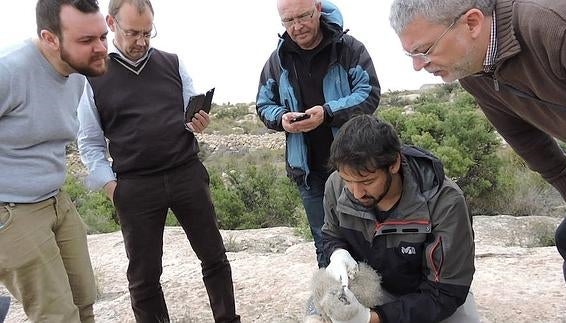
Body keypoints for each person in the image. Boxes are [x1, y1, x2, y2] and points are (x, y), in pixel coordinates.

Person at [389, 0, 566, 320]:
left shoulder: (558, 29)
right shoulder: (474, 70)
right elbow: (522, 135)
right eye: (411, 55)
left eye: (424, 49)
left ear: (472, 23)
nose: (418, 65)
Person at [77, 0, 241, 322]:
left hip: (186, 174)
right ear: (111, 24)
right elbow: (90, 143)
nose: (141, 41)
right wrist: (113, 188)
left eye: (147, 32)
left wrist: (197, 122)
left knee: (215, 258)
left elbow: (189, 115)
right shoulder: (92, 77)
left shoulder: (173, 63)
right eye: (132, 32)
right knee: (144, 278)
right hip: (135, 187)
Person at [0, 0, 108, 322]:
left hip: (57, 201)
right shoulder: (9, 70)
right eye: (86, 41)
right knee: (57, 316)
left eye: (102, 36)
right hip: (12, 212)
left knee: (84, 301)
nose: (100, 48)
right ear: (50, 38)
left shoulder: (77, 73)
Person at [316, 114, 478, 323]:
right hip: (372, 287)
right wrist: (337, 253)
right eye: (348, 180)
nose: (356, 193)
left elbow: (446, 292)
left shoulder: (444, 202)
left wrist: (370, 318)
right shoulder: (336, 185)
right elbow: (331, 235)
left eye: (367, 181)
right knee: (319, 308)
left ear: (394, 164)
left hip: (429, 296)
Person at [256, 0, 381, 268]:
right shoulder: (277, 61)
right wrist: (282, 119)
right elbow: (264, 105)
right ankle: (333, 299)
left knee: (369, 237)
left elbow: (369, 94)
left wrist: (327, 113)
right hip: (308, 170)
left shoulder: (348, 49)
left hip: (355, 167)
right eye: (288, 21)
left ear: (318, 9)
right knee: (323, 239)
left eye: (303, 16)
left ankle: (374, 302)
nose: (297, 26)